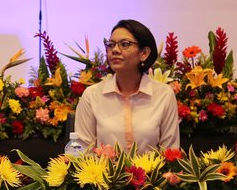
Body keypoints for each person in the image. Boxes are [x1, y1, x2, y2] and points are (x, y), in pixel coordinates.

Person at [74, 19, 180, 153]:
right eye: (111, 45)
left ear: (144, 53)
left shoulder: (163, 94)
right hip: (103, 173)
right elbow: (82, 152)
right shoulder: (92, 95)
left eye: (124, 44)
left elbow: (170, 153)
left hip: (151, 173)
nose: (115, 50)